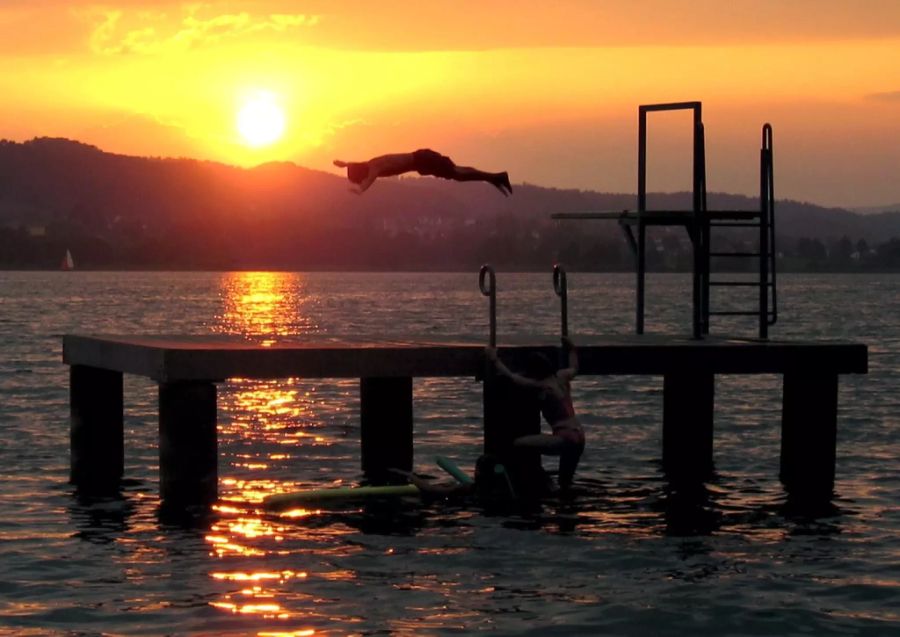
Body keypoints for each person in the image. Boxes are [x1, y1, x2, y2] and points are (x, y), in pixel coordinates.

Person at [485, 336, 585, 491]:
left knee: (519, 444)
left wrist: (494, 359)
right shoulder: (562, 377)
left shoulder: (541, 386)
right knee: (566, 481)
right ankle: (565, 504)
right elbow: (575, 367)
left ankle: (540, 480)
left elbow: (512, 378)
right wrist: (572, 349)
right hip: (579, 435)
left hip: (564, 436)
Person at [333, 149, 512, 196]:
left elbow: (368, 180)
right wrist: (344, 164)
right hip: (422, 162)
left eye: (358, 179)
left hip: (423, 160)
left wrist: (360, 190)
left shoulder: (374, 168)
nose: (360, 180)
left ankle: (495, 177)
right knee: (458, 174)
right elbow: (357, 166)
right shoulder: (370, 164)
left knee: (458, 174)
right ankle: (494, 178)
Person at [389, 454, 516, 502]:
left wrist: (410, 476)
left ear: (478, 472)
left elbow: (429, 489)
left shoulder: (468, 488)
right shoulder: (507, 491)